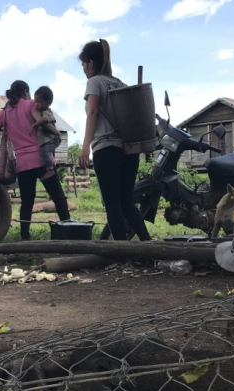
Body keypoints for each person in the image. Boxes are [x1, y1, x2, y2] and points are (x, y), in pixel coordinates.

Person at [78, 39, 151, 242]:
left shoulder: (95, 82)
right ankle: (147, 244)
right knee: (127, 203)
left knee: (112, 204)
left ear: (91, 63)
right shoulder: (119, 83)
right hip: (129, 151)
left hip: (106, 150)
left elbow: (92, 112)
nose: (83, 69)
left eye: (84, 64)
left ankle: (120, 253)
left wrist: (85, 147)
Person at [0, 80, 70, 240]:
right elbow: (43, 122)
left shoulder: (4, 113)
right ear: (25, 92)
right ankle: (69, 230)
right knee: (58, 197)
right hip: (42, 160)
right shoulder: (31, 105)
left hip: (23, 164)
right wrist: (56, 133)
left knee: (27, 202)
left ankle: (25, 236)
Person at [31, 85, 61, 179]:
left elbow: (43, 120)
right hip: (49, 139)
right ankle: (50, 166)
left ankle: (50, 169)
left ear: (48, 102)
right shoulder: (42, 111)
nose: (37, 104)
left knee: (45, 151)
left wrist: (34, 125)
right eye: (36, 102)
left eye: (40, 102)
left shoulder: (47, 112)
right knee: (44, 151)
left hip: (53, 139)